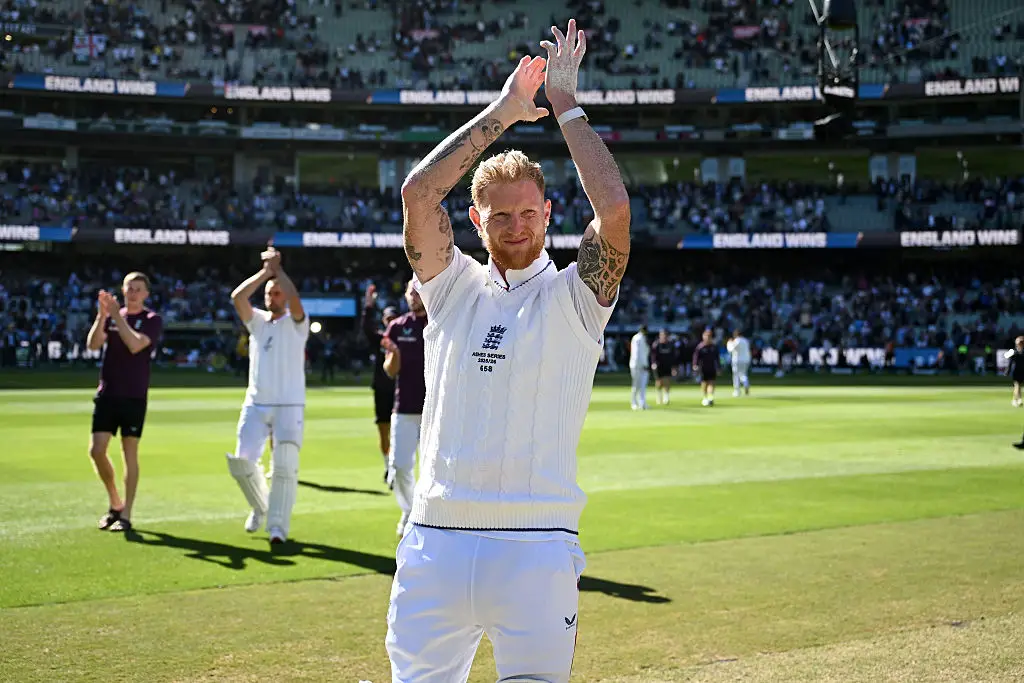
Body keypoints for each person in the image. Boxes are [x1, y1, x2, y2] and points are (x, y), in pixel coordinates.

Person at [385, 20, 630, 682]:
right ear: (475, 220)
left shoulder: (576, 296)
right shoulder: (451, 286)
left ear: (549, 214)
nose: (516, 228)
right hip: (435, 536)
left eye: (528, 214)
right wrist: (505, 111)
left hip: (538, 545)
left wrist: (567, 104)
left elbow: (613, 215)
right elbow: (417, 195)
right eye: (499, 216)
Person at [225, 247, 309, 545]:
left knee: (285, 464)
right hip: (257, 402)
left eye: (276, 293)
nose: (271, 297)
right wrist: (265, 273)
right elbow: (237, 298)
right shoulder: (257, 321)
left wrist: (279, 272)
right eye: (269, 294)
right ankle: (260, 508)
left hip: (289, 404)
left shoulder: (298, 322)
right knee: (241, 462)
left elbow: (296, 302)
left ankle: (277, 528)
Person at [86, 272, 163, 533]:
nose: (132, 293)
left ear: (146, 294)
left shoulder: (151, 320)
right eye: (129, 288)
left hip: (133, 394)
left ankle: (127, 514)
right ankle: (115, 503)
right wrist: (101, 316)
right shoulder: (112, 318)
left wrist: (117, 316)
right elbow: (93, 345)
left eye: (138, 289)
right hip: (108, 391)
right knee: (96, 451)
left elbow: (135, 345)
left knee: (129, 453)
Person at [380, 279, 428, 537]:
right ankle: (409, 510)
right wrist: (395, 356)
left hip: (434, 409)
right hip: (404, 408)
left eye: (418, 291)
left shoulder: (439, 320)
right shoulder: (397, 327)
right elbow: (389, 371)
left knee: (432, 467)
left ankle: (425, 516)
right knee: (399, 467)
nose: (414, 296)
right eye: (410, 291)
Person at [360, 284, 399, 483]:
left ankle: (398, 468)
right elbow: (366, 327)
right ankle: (388, 468)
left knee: (402, 431)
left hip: (401, 391)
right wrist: (368, 303)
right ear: (383, 322)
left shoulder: (405, 335)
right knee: (383, 430)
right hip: (381, 389)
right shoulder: (381, 339)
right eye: (387, 319)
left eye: (393, 319)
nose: (390, 322)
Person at [692, 329, 719, 407]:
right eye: (706, 336)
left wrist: (718, 367)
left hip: (712, 367)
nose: (707, 338)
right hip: (703, 368)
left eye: (709, 336)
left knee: (712, 382)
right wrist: (695, 365)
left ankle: (710, 398)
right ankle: (705, 397)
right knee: (704, 383)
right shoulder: (700, 347)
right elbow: (696, 357)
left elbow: (717, 358)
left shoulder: (714, 347)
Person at [650, 328, 676, 405]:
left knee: (667, 380)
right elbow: (653, 355)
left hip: (668, 365)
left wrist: (674, 367)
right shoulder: (656, 344)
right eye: (662, 335)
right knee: (659, 382)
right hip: (659, 366)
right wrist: (653, 363)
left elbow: (673, 356)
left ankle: (666, 397)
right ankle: (659, 395)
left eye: (665, 335)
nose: (664, 336)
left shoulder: (671, 344)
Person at [629, 326, 650, 410]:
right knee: (636, 385)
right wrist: (643, 364)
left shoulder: (642, 338)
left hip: (641, 365)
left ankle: (642, 403)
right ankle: (634, 403)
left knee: (643, 385)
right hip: (637, 365)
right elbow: (637, 353)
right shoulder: (638, 338)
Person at [726, 328, 752, 397]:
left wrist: (729, 343)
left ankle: (737, 391)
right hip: (746, 360)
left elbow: (730, 349)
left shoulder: (737, 341)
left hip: (737, 360)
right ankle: (746, 383)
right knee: (743, 374)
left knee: (736, 375)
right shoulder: (746, 340)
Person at [1006, 336, 1024, 407]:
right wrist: (1008, 371)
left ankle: (1016, 399)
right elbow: (1010, 362)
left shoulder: (1017, 352)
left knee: (1018, 386)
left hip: (1022, 371)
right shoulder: (1014, 352)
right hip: (1016, 371)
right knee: (1017, 385)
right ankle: (1017, 400)